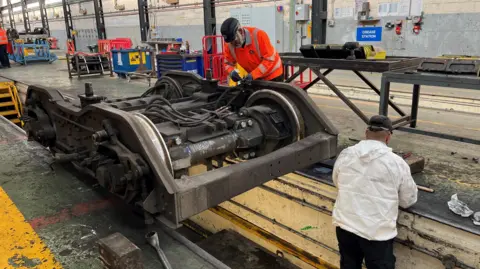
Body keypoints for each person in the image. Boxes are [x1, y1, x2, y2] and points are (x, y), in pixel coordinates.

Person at [332, 115, 418, 269]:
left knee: (349, 265)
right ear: (388, 137)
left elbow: (337, 182)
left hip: (345, 226)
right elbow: (408, 200)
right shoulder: (397, 163)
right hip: (377, 234)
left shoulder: (346, 154)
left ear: (366, 133)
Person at [220, 17, 283, 83]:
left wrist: (253, 75)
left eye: (235, 40)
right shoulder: (229, 44)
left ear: (241, 31)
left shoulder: (259, 35)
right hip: (256, 78)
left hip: (273, 75)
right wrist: (231, 72)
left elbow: (269, 60)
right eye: (231, 42)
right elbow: (227, 64)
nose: (233, 44)